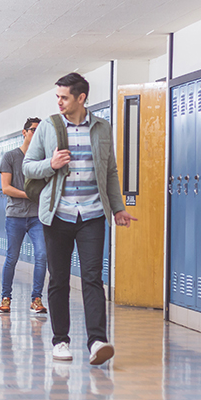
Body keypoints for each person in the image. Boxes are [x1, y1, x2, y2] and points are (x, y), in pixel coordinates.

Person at [23, 72, 137, 366]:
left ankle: (97, 341)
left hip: (92, 214)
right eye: (57, 97)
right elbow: (28, 167)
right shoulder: (48, 127)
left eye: (64, 97)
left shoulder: (101, 128)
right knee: (59, 279)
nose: (59, 102)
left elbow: (110, 171)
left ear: (81, 98)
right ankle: (60, 341)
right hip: (57, 214)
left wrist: (117, 207)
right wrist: (50, 164)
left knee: (92, 278)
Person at [0, 117, 47, 315]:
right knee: (12, 257)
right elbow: (6, 188)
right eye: (34, 130)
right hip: (15, 216)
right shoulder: (10, 157)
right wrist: (29, 194)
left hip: (37, 217)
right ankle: (6, 297)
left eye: (40, 131)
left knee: (42, 255)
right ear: (24, 132)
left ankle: (36, 299)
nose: (37, 134)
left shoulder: (43, 159)